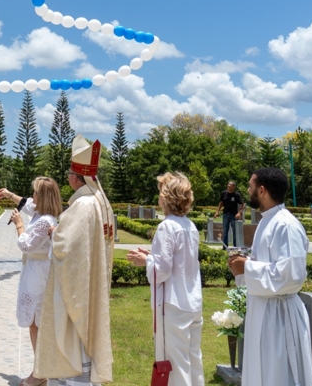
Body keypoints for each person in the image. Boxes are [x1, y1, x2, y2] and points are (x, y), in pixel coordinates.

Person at [34, 135, 115, 386]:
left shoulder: (82, 205)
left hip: (78, 284)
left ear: (75, 177)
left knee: (74, 332)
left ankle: (75, 377)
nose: (68, 176)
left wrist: (54, 233)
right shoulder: (101, 201)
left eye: (69, 172)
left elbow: (66, 246)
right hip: (93, 281)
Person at [228, 168, 312, 386]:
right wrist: (241, 268)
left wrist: (247, 268)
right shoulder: (267, 221)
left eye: (250, 186)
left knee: (279, 376)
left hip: (280, 317)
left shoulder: (285, 225)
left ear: (262, 190)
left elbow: (291, 276)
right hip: (263, 310)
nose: (247, 190)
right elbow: (265, 265)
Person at [127, 172, 204, 386]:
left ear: (167, 197)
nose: (158, 198)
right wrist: (151, 256)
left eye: (160, 193)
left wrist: (146, 261)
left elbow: (162, 270)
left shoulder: (166, 226)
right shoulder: (190, 226)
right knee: (193, 358)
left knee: (175, 362)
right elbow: (178, 261)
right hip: (192, 300)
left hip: (173, 303)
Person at [4, 178, 63, 386]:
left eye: (35, 193)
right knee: (34, 324)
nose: (33, 196)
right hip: (33, 272)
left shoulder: (46, 221)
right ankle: (41, 368)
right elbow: (26, 203)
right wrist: (8, 193)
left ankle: (40, 372)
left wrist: (19, 226)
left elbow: (26, 245)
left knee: (36, 324)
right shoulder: (39, 214)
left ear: (43, 197)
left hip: (39, 275)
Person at [214, 181, 245, 247]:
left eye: (230, 185)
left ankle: (235, 246)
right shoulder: (224, 193)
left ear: (234, 187)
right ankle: (225, 247)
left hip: (234, 215)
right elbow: (221, 203)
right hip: (225, 214)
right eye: (228, 185)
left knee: (234, 231)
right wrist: (217, 211)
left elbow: (243, 205)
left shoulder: (236, 195)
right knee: (225, 231)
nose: (228, 186)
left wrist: (239, 213)